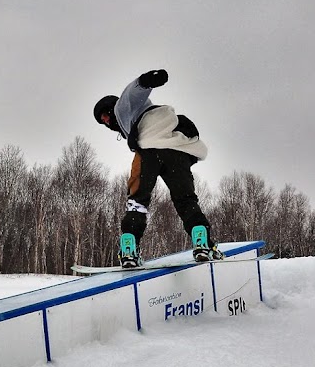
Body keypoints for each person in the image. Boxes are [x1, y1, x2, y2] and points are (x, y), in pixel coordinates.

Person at [93, 69, 223, 268]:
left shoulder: (121, 109)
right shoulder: (137, 117)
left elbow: (130, 94)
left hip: (149, 153)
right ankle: (202, 242)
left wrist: (145, 82)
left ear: (111, 108)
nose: (106, 121)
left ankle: (129, 248)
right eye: (103, 122)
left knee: (137, 202)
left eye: (104, 116)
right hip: (175, 153)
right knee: (186, 200)